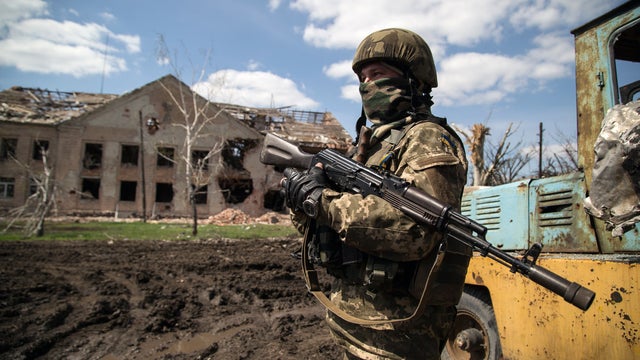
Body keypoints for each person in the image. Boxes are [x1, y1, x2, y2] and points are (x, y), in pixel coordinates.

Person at [283, 28, 471, 359]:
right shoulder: (371, 147)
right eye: (363, 78)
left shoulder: (427, 138)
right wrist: (302, 199)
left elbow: (414, 231)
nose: (367, 85)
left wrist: (322, 201)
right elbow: (327, 226)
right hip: (351, 317)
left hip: (395, 332)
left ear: (413, 79)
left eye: (378, 74)